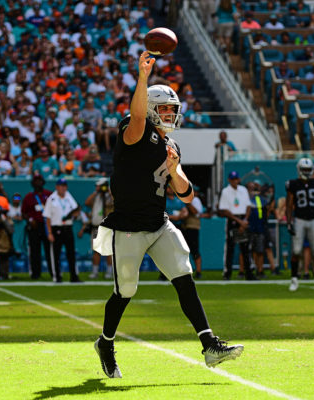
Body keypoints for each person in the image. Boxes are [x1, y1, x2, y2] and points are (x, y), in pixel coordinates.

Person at [93, 52, 243, 379]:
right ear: (149, 109)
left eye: (172, 110)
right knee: (126, 291)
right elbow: (135, 118)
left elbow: (188, 195)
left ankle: (209, 345)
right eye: (164, 109)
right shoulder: (133, 132)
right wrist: (143, 79)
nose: (170, 115)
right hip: (128, 227)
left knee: (183, 274)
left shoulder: (170, 145)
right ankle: (106, 343)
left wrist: (175, 172)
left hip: (159, 224)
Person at [286, 158, 314, 291]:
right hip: (299, 219)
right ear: (299, 169)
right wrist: (289, 222)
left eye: (308, 169)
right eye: (304, 169)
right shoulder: (293, 184)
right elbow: (289, 204)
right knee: (297, 251)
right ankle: (294, 280)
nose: (306, 172)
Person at [43, 178, 81, 283]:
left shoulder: (69, 197)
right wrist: (49, 232)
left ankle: (74, 276)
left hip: (68, 228)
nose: (63, 188)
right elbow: (47, 217)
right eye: (61, 186)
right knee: (56, 254)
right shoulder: (51, 199)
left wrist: (75, 214)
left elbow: (75, 210)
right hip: (56, 228)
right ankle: (57, 276)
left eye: (64, 186)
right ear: (57, 187)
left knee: (71, 253)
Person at [218, 171, 254, 280]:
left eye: (236, 179)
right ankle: (227, 273)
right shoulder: (226, 191)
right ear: (229, 180)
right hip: (233, 219)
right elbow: (224, 210)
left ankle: (249, 273)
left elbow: (248, 206)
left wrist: (245, 220)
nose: (235, 181)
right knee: (230, 248)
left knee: (245, 249)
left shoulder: (243, 190)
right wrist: (239, 221)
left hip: (243, 218)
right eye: (233, 179)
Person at [22, 174, 53, 280]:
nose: (38, 183)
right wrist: (30, 220)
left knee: (50, 250)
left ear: (43, 182)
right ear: (33, 183)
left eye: (40, 180)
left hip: (47, 226)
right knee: (35, 251)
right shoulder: (29, 197)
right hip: (35, 226)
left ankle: (53, 272)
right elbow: (24, 212)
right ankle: (35, 273)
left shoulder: (49, 194)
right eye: (36, 181)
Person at [81, 177, 113, 279]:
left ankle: (109, 271)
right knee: (96, 250)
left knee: (108, 250)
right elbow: (87, 202)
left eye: (99, 186)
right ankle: (95, 272)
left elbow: (114, 202)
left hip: (107, 227)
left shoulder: (109, 196)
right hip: (96, 227)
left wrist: (108, 191)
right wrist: (96, 192)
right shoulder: (96, 196)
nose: (97, 187)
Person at [247, 180, 270, 279]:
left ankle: (260, 270)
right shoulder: (247, 199)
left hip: (260, 227)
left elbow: (267, 210)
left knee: (260, 250)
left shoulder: (263, 199)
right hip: (250, 227)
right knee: (248, 250)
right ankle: (246, 269)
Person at [184, 185, 204, 279]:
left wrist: (188, 204)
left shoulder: (195, 200)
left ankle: (199, 271)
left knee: (194, 249)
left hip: (192, 226)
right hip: (186, 226)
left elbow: (196, 212)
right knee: (186, 250)